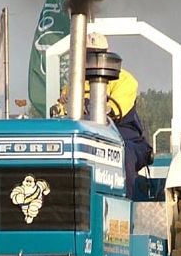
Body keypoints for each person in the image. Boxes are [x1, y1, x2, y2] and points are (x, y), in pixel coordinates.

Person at [55, 34, 153, 198]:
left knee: (124, 156)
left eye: (96, 54)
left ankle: (125, 202)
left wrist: (92, 106)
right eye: (87, 55)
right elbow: (62, 111)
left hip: (122, 135)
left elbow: (114, 111)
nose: (92, 60)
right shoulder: (73, 84)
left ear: (107, 54)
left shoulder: (125, 80)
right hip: (85, 136)